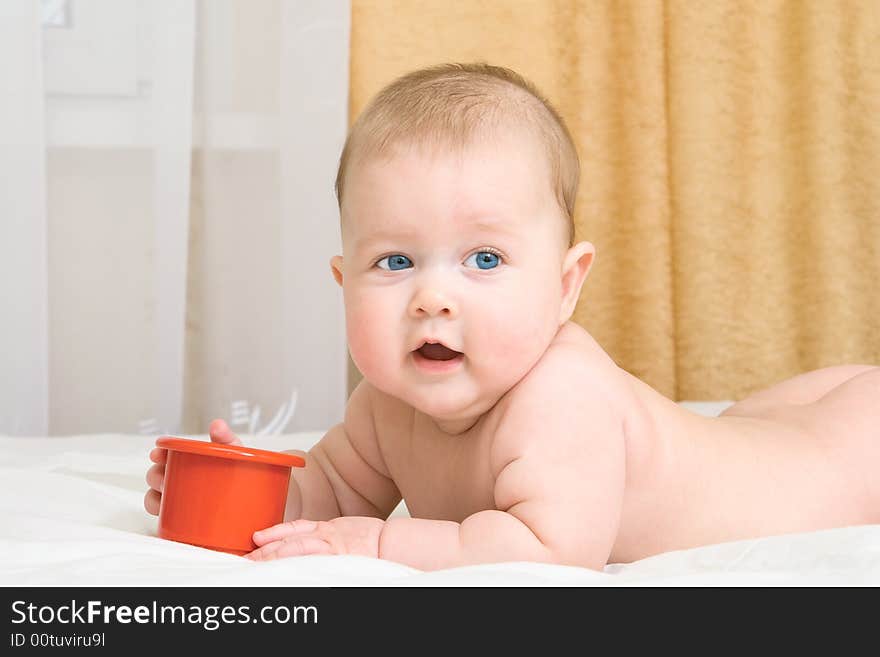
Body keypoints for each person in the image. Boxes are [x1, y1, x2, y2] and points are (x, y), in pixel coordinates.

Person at [145, 63, 880, 571]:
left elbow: (552, 551)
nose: (433, 297)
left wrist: (378, 545)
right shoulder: (384, 407)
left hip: (831, 472)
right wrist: (233, 491)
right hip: (749, 437)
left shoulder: (561, 396)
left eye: (485, 260)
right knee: (748, 420)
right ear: (343, 283)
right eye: (395, 262)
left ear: (566, 287)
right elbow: (324, 502)